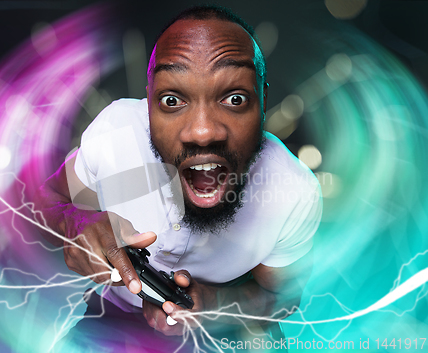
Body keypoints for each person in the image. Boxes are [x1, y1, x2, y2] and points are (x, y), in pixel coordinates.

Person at [35, 4, 322, 352]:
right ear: (150, 102)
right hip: (114, 319)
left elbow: (282, 300)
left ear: (263, 101)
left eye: (234, 98)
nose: (202, 132)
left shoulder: (292, 190)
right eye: (172, 99)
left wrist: (213, 305)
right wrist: (74, 220)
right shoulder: (117, 133)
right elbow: (47, 199)